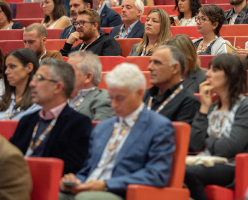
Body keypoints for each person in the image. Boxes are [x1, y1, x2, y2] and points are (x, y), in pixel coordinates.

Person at [58, 63, 175, 200]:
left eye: (120, 98)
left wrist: (106, 184)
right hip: (88, 189)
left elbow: (156, 174)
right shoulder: (103, 127)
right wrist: (75, 180)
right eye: (111, 98)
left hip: (121, 192)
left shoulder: (159, 126)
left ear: (139, 93)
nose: (113, 104)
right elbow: (88, 170)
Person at [185, 54, 248, 200]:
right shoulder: (212, 106)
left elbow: (229, 148)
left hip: (236, 167)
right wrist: (204, 106)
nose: (207, 74)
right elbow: (195, 143)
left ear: (230, 75)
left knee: (190, 173)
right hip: (209, 160)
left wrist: (208, 140)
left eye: (214, 70)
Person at [10, 59, 93, 175]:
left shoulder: (78, 123)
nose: (32, 84)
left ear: (58, 87)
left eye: (39, 78)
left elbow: (71, 168)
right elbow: (9, 156)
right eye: (33, 78)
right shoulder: (27, 120)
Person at [143, 46, 200, 124]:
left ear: (175, 68)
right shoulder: (144, 95)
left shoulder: (188, 101)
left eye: (157, 63)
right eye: (150, 62)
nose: (149, 67)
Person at [0, 48, 42, 120]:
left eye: (12, 66)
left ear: (29, 68)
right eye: (6, 67)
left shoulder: (40, 103)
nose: (6, 72)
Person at [67, 51, 115, 120]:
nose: (63, 74)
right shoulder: (58, 97)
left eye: (69, 71)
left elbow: (99, 129)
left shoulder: (104, 100)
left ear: (88, 77)